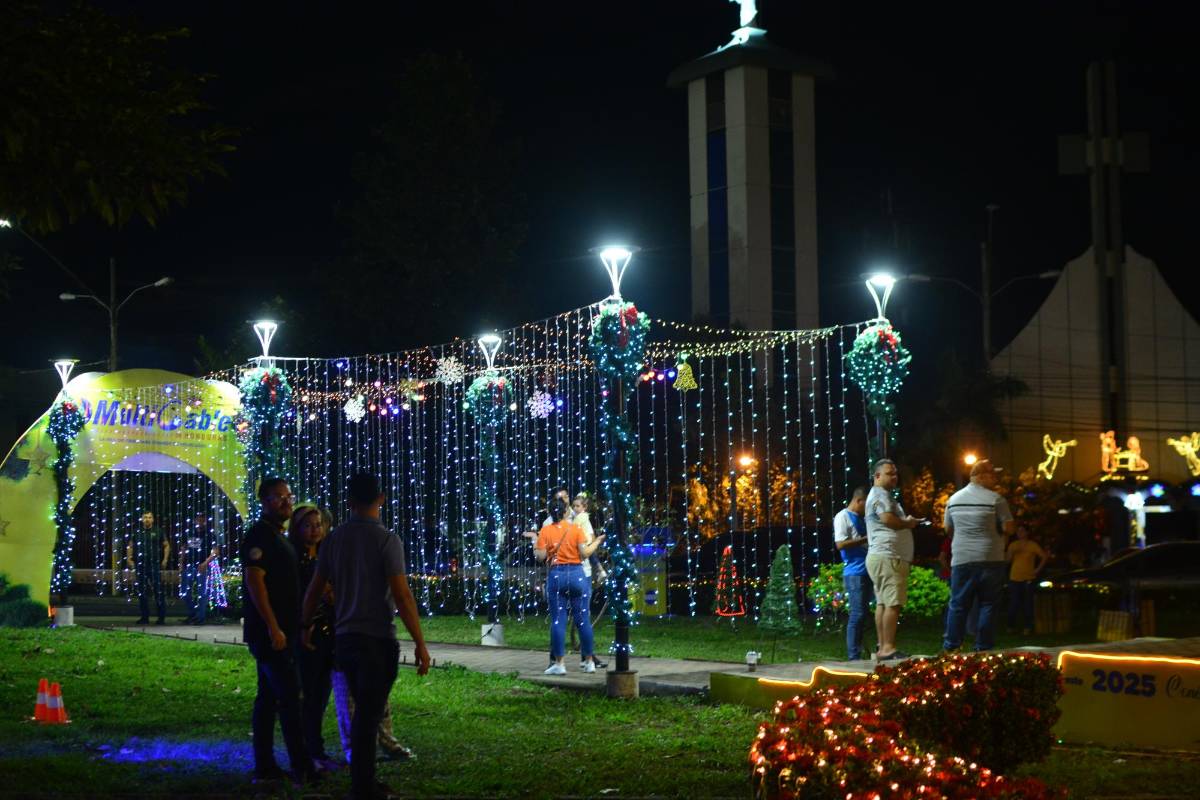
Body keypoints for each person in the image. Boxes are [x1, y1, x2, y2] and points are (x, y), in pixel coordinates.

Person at [302, 473, 431, 800]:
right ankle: (363, 786)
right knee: (369, 715)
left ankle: (365, 782)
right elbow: (402, 595)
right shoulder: (387, 540)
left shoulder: (333, 540)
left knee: (364, 712)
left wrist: (304, 626)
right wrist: (420, 643)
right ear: (381, 498)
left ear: (349, 502)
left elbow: (315, 589)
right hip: (377, 639)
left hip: (346, 639)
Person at [242, 478, 317, 785]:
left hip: (282, 631)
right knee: (290, 698)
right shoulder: (259, 536)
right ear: (264, 501)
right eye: (278, 497)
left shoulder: (278, 536)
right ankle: (302, 766)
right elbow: (255, 582)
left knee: (268, 699)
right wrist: (273, 627)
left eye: (288, 496)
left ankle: (265, 765)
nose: (286, 502)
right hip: (271, 635)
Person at [941, 459, 1015, 652]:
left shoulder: (953, 500)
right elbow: (1009, 528)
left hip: (962, 559)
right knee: (988, 604)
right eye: (993, 475)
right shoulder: (996, 499)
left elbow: (948, 529)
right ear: (981, 476)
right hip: (991, 558)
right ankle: (983, 647)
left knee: (958, 604)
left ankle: (952, 647)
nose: (996, 479)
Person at [534, 492, 605, 675]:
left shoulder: (546, 530)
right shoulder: (575, 529)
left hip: (557, 576)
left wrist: (535, 542)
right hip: (577, 575)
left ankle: (559, 664)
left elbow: (540, 556)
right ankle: (589, 662)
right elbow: (585, 553)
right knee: (583, 620)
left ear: (551, 513)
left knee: (558, 620)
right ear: (565, 512)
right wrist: (597, 542)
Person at [290, 505, 338, 770]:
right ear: (297, 529)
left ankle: (316, 749)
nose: (315, 530)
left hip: (329, 630)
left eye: (318, 525)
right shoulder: (295, 560)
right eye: (308, 526)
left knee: (321, 693)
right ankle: (308, 750)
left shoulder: (326, 555)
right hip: (307, 631)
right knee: (308, 693)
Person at [864, 459, 921, 662]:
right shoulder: (880, 495)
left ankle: (882, 647)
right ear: (877, 475)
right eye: (890, 473)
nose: (894, 477)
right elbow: (888, 519)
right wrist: (908, 523)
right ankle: (888, 648)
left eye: (895, 473)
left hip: (882, 556)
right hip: (889, 556)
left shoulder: (879, 495)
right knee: (893, 603)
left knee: (883, 602)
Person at [832, 487, 873, 660]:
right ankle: (853, 655)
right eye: (866, 504)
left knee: (864, 614)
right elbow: (840, 544)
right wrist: (867, 538)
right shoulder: (842, 517)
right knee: (857, 614)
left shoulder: (863, 518)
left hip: (867, 570)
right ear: (859, 500)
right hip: (855, 573)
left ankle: (859, 650)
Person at [571, 492, 608, 670]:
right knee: (581, 616)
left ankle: (587, 657)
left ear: (584, 507)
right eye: (574, 506)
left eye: (578, 506)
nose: (575, 508)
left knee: (581, 616)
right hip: (578, 571)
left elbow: (588, 546)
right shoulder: (576, 521)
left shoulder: (582, 521)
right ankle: (588, 658)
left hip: (581, 570)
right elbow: (587, 548)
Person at [127, 511, 169, 625]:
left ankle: (161, 618)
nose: (147, 519)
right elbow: (130, 546)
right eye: (145, 517)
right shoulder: (137, 532)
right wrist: (129, 559)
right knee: (142, 592)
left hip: (154, 565)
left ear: (153, 519)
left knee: (158, 591)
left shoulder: (158, 531)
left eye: (149, 517)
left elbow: (166, 545)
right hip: (140, 565)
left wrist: (165, 559)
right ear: (142, 519)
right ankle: (144, 617)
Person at [1006, 524, 1047, 636]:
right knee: (1014, 603)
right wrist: (1009, 553)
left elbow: (1043, 557)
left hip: (1028, 578)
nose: (1020, 533)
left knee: (1027, 604)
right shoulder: (1013, 545)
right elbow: (1008, 560)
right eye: (1018, 531)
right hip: (1014, 577)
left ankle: (1028, 627)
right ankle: (1010, 626)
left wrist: (1037, 570)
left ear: (1027, 532)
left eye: (1022, 531)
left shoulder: (1032, 545)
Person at [179, 513, 219, 625]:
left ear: (205, 520)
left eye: (202, 519)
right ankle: (193, 614)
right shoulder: (189, 533)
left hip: (203, 567)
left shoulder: (210, 534)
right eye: (198, 519)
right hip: (188, 566)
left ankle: (200, 618)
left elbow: (216, 552)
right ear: (195, 520)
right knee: (184, 593)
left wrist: (205, 563)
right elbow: (183, 548)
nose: (200, 521)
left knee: (202, 594)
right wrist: (181, 564)